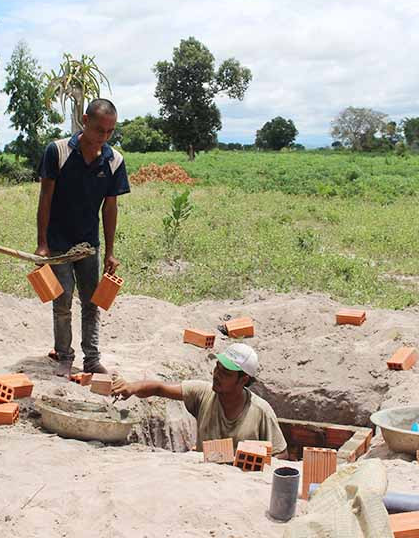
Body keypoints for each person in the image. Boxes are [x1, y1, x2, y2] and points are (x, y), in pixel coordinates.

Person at [35, 99, 130, 377]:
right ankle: (64, 355)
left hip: (89, 245)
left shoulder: (114, 160)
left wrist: (110, 251)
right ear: (84, 121)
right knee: (62, 300)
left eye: (110, 131)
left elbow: (110, 207)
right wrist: (42, 244)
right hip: (58, 243)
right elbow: (45, 198)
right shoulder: (59, 151)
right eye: (99, 129)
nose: (104, 136)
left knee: (92, 302)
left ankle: (92, 359)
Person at [112, 343, 287, 455]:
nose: (216, 375)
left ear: (243, 380)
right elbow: (159, 388)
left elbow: (281, 455)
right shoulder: (203, 393)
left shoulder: (261, 412)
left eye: (225, 373)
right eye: (217, 368)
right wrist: (131, 387)